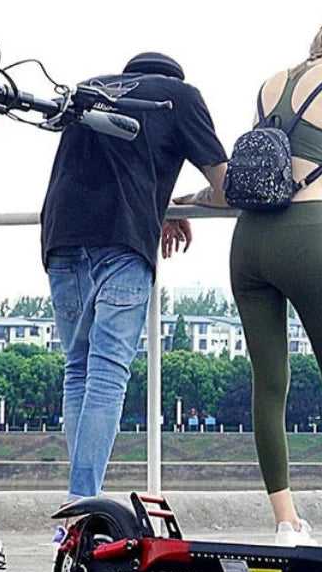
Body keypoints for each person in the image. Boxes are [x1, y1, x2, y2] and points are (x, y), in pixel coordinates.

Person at [176, 20, 322, 547]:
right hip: (305, 239)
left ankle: (286, 522)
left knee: (269, 383)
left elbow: (264, 175)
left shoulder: (271, 82)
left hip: (249, 244)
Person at [41, 52, 227, 528]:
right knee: (106, 374)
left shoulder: (91, 87)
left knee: (78, 371)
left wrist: (160, 204)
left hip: (60, 236)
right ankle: (82, 506)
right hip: (122, 241)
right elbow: (225, 187)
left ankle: (75, 509)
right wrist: (183, 201)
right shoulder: (181, 98)